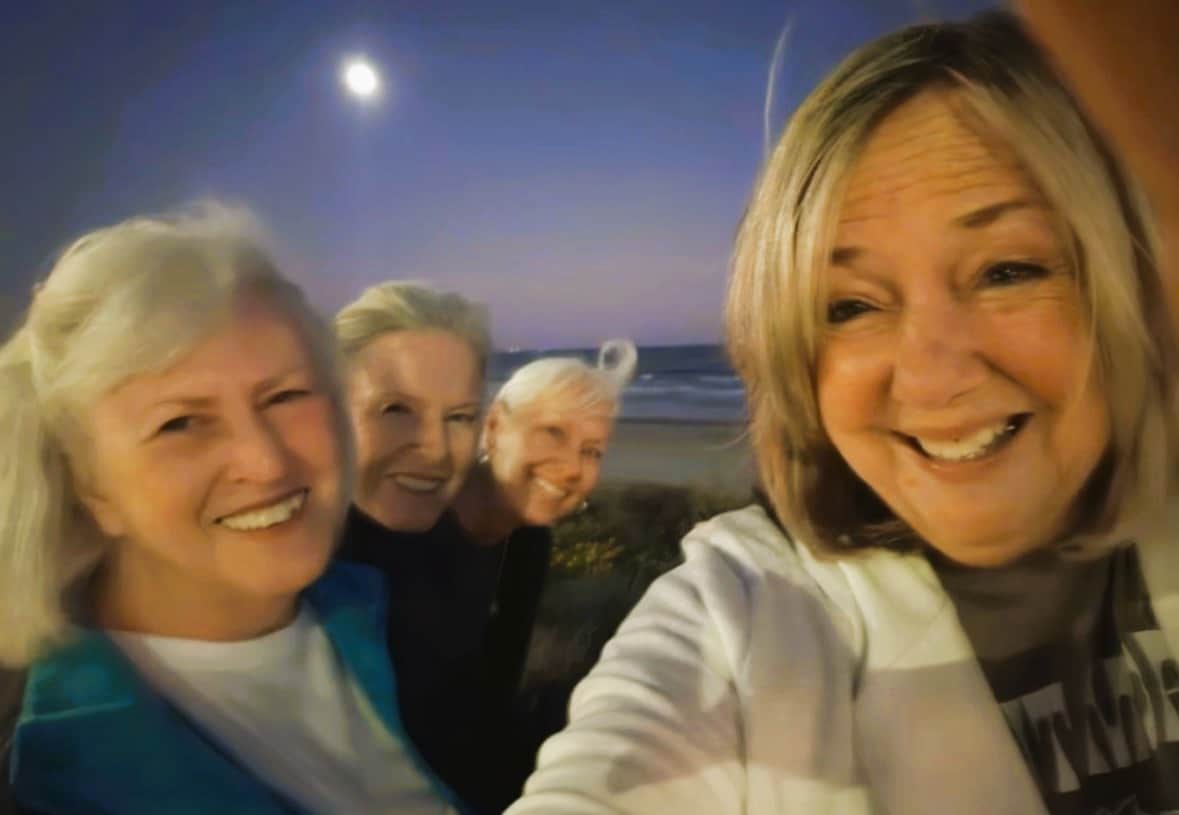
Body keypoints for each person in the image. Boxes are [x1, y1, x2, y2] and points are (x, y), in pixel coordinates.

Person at [507, 11, 1179, 815]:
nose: (930, 379)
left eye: (1006, 270)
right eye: (851, 305)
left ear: (1130, 279)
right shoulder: (741, 613)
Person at [0, 206, 467, 814]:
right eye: (180, 423)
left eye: (285, 396)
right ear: (88, 487)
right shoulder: (68, 772)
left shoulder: (381, 611)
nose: (265, 461)